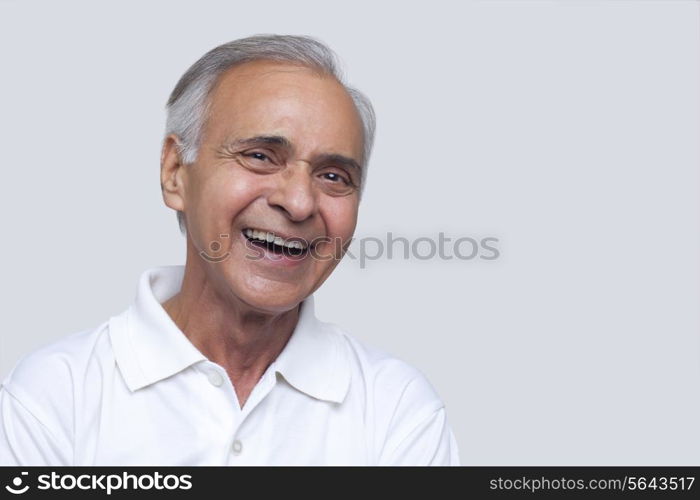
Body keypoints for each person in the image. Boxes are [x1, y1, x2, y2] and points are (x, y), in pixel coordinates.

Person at [0, 34, 460, 466]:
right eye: (260, 156)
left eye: (334, 176)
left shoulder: (398, 409)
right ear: (176, 172)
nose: (298, 203)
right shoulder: (56, 395)